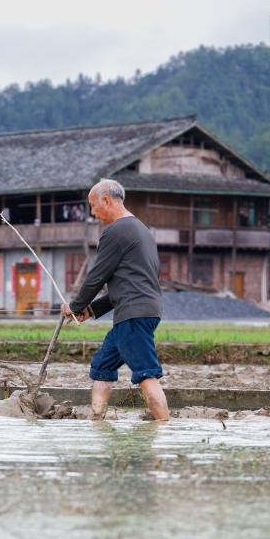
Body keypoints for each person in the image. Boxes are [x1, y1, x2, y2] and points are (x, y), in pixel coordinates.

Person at [61, 179, 169, 420]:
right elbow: (127, 284)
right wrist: (91, 309)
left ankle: (163, 425)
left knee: (146, 374)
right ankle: (97, 420)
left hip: (133, 316)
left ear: (106, 201)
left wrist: (75, 307)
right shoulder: (142, 230)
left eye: (93, 205)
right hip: (142, 310)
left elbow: (97, 276)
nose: (92, 212)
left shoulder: (115, 231)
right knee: (102, 366)